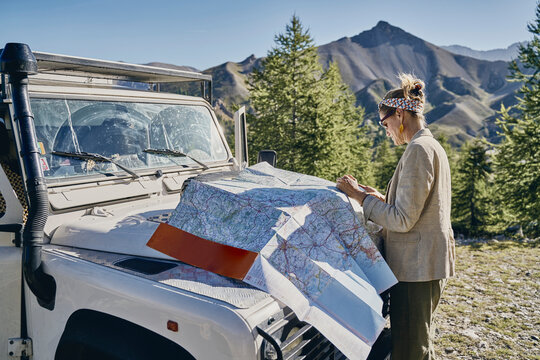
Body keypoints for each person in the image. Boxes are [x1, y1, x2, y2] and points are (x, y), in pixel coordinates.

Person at [336, 73, 455, 360]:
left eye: (385, 123)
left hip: (416, 268)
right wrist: (380, 197)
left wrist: (362, 198)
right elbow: (416, 207)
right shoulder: (429, 146)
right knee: (417, 342)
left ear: (400, 114)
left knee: (411, 349)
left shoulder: (418, 150)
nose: (386, 131)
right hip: (424, 263)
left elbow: (403, 220)